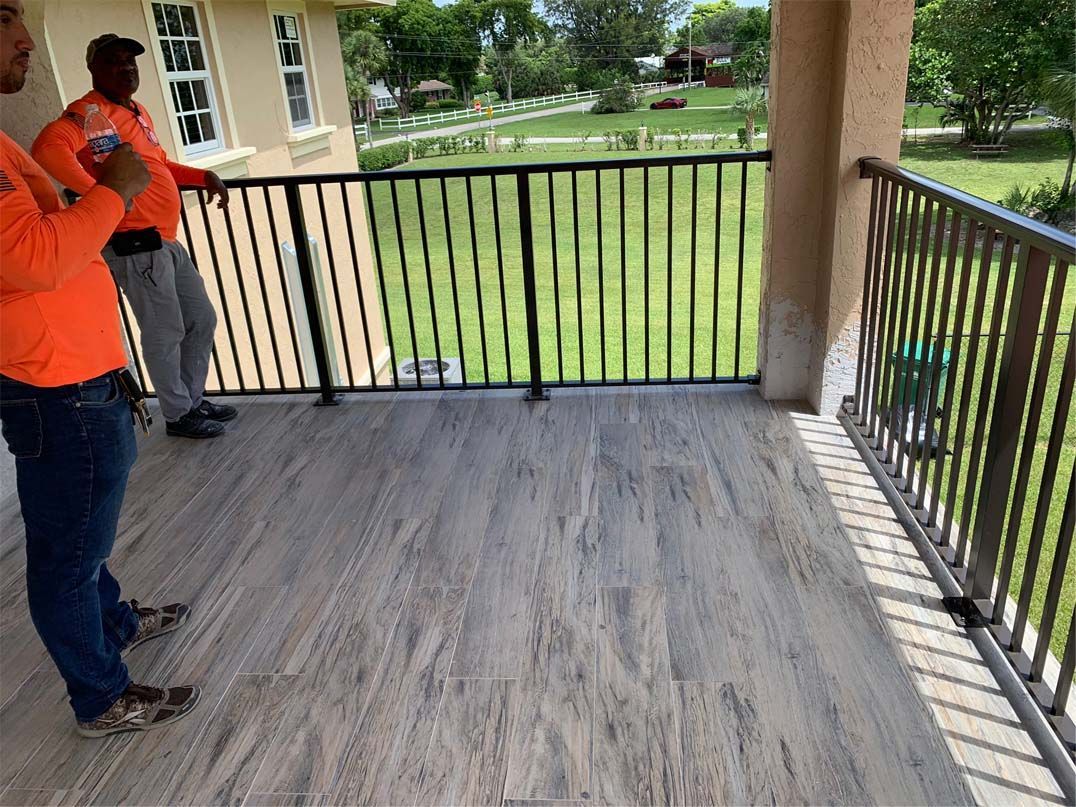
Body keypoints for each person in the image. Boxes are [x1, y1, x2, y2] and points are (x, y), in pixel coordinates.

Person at [1, 0, 200, 736]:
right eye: (5, 17)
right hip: (55, 389)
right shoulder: (66, 129)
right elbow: (36, 258)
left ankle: (115, 622)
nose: (26, 38)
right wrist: (114, 188)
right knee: (66, 556)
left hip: (77, 379)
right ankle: (102, 696)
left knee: (82, 533)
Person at [32, 33, 236, 439]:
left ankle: (191, 400)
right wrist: (104, 194)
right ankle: (179, 415)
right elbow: (48, 149)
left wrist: (203, 177)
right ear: (93, 68)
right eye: (113, 60)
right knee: (165, 331)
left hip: (166, 240)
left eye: (130, 60)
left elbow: (158, 164)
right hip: (135, 244)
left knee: (201, 318)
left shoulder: (136, 111)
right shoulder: (89, 112)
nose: (125, 67)